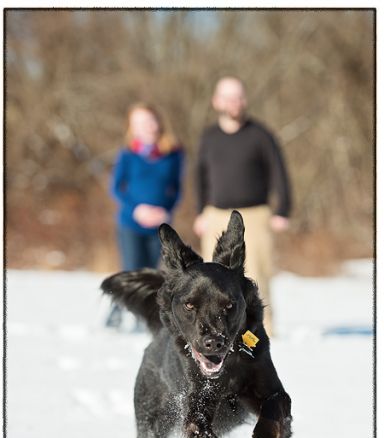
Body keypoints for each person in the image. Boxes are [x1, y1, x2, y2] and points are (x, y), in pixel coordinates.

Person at [194, 76, 291, 336]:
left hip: (255, 215)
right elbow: (199, 176)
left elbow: (279, 173)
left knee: (257, 274)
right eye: (228, 97)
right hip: (216, 215)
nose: (234, 103)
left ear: (244, 100)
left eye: (238, 97)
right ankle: (218, 329)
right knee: (214, 277)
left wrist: (282, 210)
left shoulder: (260, 134)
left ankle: (263, 331)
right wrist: (200, 212)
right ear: (216, 101)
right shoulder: (209, 137)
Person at [106, 103, 184, 328]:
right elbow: (116, 188)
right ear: (132, 127)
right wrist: (136, 209)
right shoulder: (127, 154)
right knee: (131, 269)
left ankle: (143, 318)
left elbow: (177, 188)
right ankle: (116, 310)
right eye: (139, 123)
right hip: (130, 222)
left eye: (149, 120)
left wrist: (165, 211)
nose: (146, 126)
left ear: (158, 122)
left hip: (159, 224)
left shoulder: (174, 153)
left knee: (151, 273)